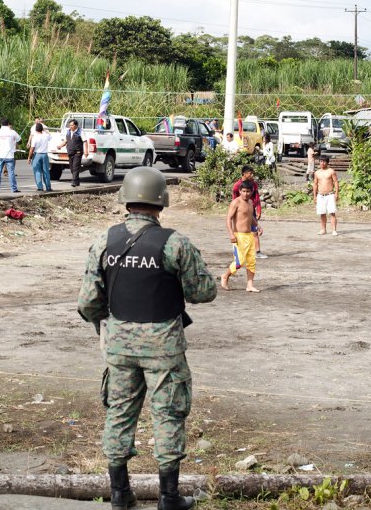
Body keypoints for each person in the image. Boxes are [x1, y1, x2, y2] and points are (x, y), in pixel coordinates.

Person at [77, 167, 216, 510]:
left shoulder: (103, 241)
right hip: (164, 347)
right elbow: (204, 292)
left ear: (125, 200)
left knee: (119, 414)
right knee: (168, 414)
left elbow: (87, 303)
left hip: (119, 345)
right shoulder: (175, 243)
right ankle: (169, 498)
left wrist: (105, 325)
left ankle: (120, 493)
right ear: (161, 202)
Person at [221, 181, 260, 292]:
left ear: (251, 192)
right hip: (239, 236)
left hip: (249, 236)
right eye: (243, 191)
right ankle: (225, 276)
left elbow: (251, 217)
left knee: (251, 261)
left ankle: (249, 285)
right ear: (240, 191)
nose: (245, 194)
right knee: (239, 262)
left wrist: (258, 226)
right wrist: (231, 234)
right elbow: (228, 218)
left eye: (248, 191)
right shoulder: (235, 203)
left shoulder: (251, 202)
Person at [232, 166, 265, 259]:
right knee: (240, 231)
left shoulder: (253, 184)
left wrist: (258, 210)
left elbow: (257, 198)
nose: (252, 175)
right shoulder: (237, 186)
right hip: (240, 212)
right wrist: (235, 212)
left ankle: (257, 252)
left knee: (254, 231)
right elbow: (234, 199)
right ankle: (239, 252)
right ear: (244, 174)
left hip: (251, 211)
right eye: (250, 173)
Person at [0, 118, 21, 193]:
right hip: (10, 155)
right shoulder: (12, 132)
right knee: (11, 172)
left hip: (0, 155)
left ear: (1, 124)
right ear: (8, 124)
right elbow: (19, 139)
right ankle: (13, 189)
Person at [313, 155, 339, 236]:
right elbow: (315, 184)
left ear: (327, 162)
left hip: (330, 195)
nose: (322, 163)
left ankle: (334, 230)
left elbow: (335, 182)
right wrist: (314, 196)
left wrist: (337, 193)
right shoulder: (317, 173)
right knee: (322, 213)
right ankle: (323, 229)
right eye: (321, 161)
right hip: (320, 195)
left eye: (324, 161)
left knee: (332, 212)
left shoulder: (331, 171)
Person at [57, 118, 85, 187]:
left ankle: (74, 182)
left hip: (78, 152)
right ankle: (77, 181)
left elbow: (85, 141)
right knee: (72, 168)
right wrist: (60, 146)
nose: (70, 126)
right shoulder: (68, 132)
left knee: (75, 167)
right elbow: (66, 141)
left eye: (72, 125)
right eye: (70, 125)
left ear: (76, 125)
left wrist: (86, 151)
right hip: (70, 152)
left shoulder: (80, 132)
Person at [28, 122, 53, 192]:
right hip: (45, 154)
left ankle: (40, 187)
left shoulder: (35, 137)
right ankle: (48, 187)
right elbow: (51, 137)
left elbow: (32, 149)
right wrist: (45, 131)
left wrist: (29, 157)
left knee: (37, 171)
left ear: (35, 130)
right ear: (42, 129)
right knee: (46, 171)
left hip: (37, 155)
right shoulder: (46, 136)